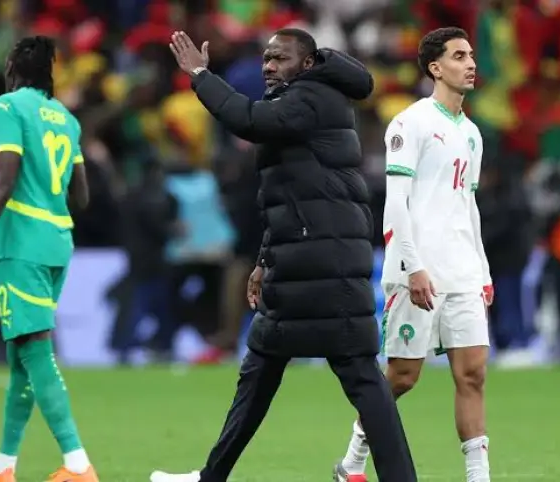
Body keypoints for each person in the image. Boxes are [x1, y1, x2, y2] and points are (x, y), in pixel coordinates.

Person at [150, 29, 417, 482]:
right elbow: (289, 198)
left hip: (323, 265)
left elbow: (247, 119)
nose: (269, 67)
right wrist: (264, 260)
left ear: (308, 64)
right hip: (306, 263)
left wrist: (201, 75)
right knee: (266, 374)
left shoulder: (310, 98)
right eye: (266, 58)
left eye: (280, 58)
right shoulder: (306, 99)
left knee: (357, 380)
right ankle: (211, 476)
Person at [334, 27, 495, 482]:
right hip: (418, 269)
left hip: (463, 269)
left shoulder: (472, 134)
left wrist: (482, 270)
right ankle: (352, 461)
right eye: (459, 56)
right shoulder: (411, 123)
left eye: (470, 55)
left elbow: (468, 206)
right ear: (435, 68)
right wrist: (413, 266)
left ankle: (478, 476)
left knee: (473, 374)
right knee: (403, 376)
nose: (470, 63)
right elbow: (396, 205)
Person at [0, 36, 99, 482]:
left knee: (33, 349)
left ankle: (78, 464)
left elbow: (3, 180)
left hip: (21, 242)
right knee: (21, 357)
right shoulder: (66, 118)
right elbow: (81, 196)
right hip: (57, 240)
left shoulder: (8, 107)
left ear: (12, 67)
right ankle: (3, 467)